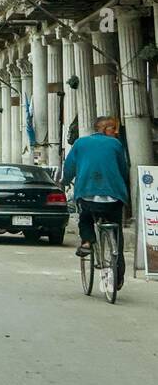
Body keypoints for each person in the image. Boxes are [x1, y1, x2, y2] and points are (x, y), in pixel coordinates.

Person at [61, 116, 130, 277]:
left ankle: (86, 242)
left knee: (85, 219)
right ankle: (118, 274)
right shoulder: (116, 144)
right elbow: (123, 169)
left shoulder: (80, 143)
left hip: (87, 195)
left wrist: (65, 181)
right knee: (116, 230)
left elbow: (69, 167)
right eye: (113, 128)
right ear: (104, 129)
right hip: (114, 198)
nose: (116, 132)